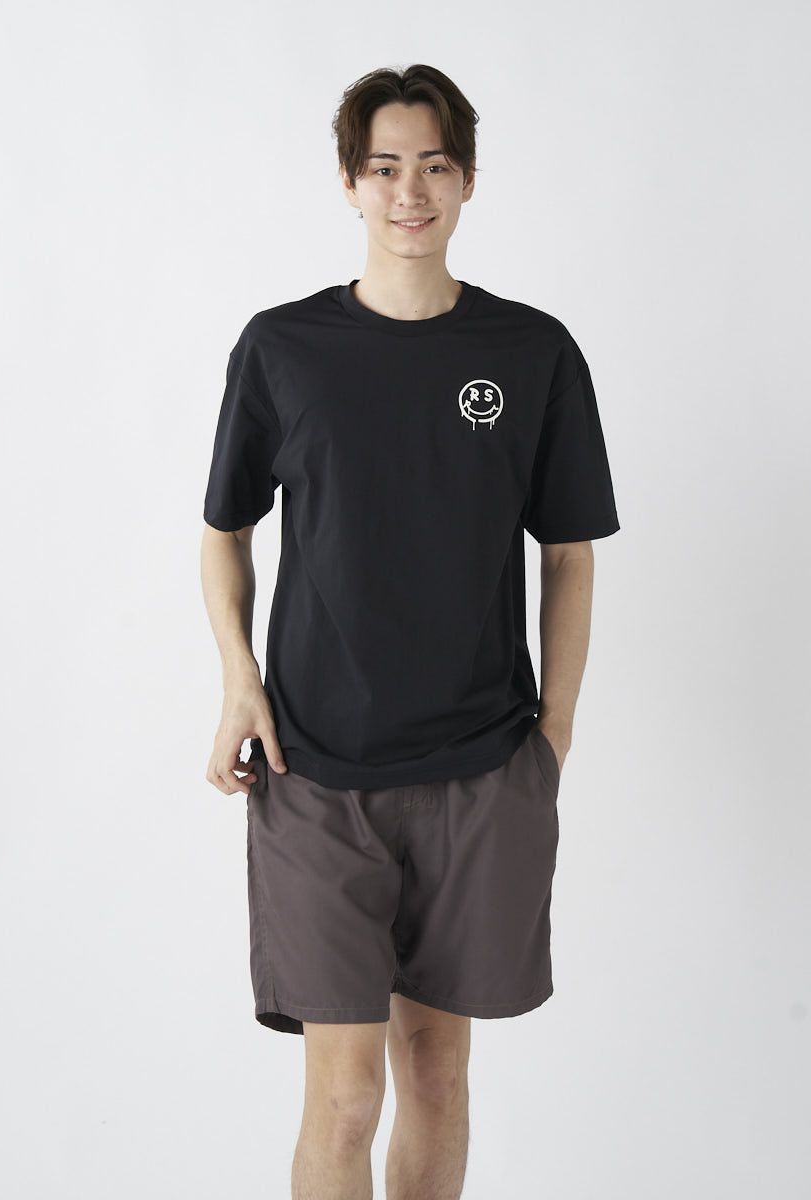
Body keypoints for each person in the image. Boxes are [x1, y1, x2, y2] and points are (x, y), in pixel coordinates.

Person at [200, 63, 620, 1200]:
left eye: (433, 165)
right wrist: (239, 680)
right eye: (384, 167)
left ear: (468, 178)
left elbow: (569, 553)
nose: (409, 192)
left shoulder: (531, 352)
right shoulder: (283, 348)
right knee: (344, 1098)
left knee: (436, 1075)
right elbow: (224, 531)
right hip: (314, 770)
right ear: (349, 182)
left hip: (479, 767)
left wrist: (554, 735)